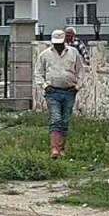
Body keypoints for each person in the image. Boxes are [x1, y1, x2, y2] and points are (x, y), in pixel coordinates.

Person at [36, 29, 85, 159]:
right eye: (55, 43)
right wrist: (45, 86)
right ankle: (54, 148)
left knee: (65, 120)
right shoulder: (45, 55)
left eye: (60, 42)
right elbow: (38, 73)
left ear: (64, 41)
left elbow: (80, 71)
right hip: (53, 91)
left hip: (69, 91)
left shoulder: (73, 53)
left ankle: (61, 147)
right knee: (56, 118)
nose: (57, 45)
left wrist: (78, 86)